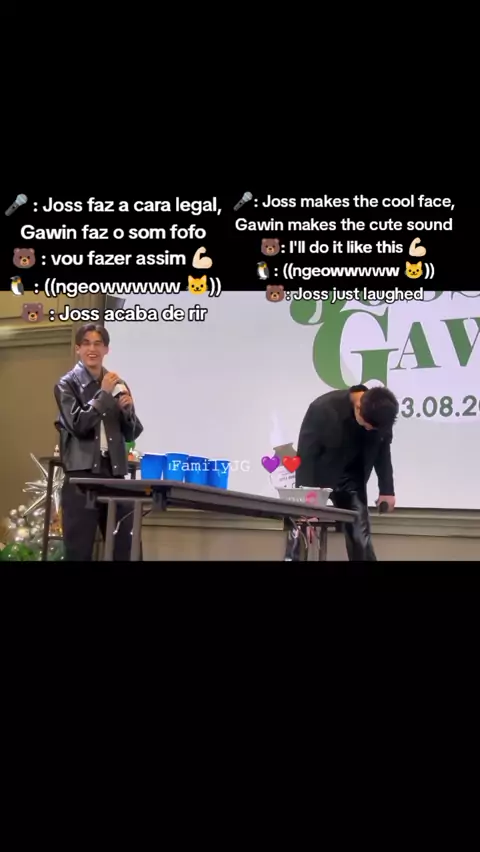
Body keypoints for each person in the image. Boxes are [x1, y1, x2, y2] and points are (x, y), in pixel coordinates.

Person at [54, 323, 143, 561]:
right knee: (79, 551)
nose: (92, 349)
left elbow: (132, 433)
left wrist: (127, 411)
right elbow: (78, 425)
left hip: (114, 474)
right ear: (77, 349)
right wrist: (103, 394)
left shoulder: (117, 383)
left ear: (106, 349)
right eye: (86, 344)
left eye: (97, 344)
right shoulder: (66, 384)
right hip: (81, 477)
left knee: (127, 548)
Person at [295, 385, 399, 561]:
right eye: (366, 425)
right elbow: (306, 455)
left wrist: (387, 490)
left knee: (361, 538)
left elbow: (383, 453)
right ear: (358, 407)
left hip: (351, 480)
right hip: (318, 477)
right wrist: (307, 503)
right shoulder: (323, 409)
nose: (368, 430)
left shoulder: (381, 414)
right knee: (301, 531)